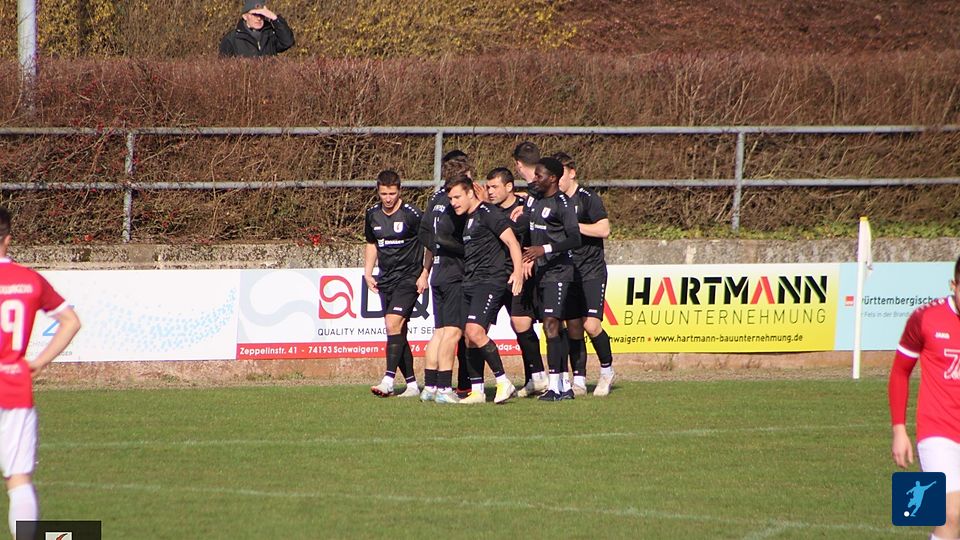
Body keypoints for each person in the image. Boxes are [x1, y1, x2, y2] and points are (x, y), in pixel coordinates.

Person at [0, 208, 81, 538]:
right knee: (19, 480)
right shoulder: (29, 280)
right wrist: (39, 362)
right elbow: (71, 322)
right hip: (13, 386)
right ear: (8, 239)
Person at [889, 255, 960, 539]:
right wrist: (899, 430)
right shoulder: (925, 317)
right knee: (948, 515)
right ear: (953, 285)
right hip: (937, 431)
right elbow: (899, 372)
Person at [445, 174, 524, 404]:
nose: (454, 203)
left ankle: (503, 381)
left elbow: (512, 242)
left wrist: (517, 271)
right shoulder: (468, 219)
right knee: (469, 338)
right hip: (470, 282)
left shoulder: (488, 213)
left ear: (470, 193)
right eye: (450, 199)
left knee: (475, 332)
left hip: (489, 281)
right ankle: (477, 391)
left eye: (457, 197)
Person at [553, 152, 616, 397]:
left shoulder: (588, 198)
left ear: (572, 172)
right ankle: (578, 379)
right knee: (573, 326)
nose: (556, 179)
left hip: (591, 271)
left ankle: (607, 371)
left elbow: (604, 229)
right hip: (567, 271)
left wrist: (574, 227)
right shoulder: (555, 202)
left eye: (560, 174)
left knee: (591, 324)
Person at [522, 158, 582, 402]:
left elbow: (575, 239)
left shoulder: (563, 204)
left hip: (559, 272)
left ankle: (556, 386)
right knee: (551, 326)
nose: (535, 179)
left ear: (553, 178)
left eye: (539, 176)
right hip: (542, 272)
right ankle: (563, 385)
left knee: (551, 325)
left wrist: (544, 249)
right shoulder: (536, 199)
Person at [484, 168, 548, 397]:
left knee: (521, 323)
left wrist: (528, 260)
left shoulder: (523, 208)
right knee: (477, 330)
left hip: (518, 275)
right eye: (488, 187)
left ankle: (536, 377)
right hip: (492, 277)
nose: (490, 192)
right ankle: (474, 385)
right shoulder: (486, 210)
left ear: (509, 187)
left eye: (495, 187)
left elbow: (533, 235)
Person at [364, 170, 427, 398]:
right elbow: (371, 243)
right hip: (386, 279)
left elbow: (429, 244)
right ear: (378, 192)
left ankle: (388, 380)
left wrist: (425, 273)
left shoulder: (412, 214)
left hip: (409, 277)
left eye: (392, 193)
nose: (388, 198)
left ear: (399, 191)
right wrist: (368, 273)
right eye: (384, 194)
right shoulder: (372, 214)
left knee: (392, 324)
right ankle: (412, 385)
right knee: (397, 332)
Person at [418, 153, 471, 404]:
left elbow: (425, 233)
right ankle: (444, 388)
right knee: (452, 332)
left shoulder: (436, 199)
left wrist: (427, 266)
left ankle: (429, 387)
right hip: (453, 273)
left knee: (439, 332)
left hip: (438, 271)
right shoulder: (454, 203)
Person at [219, 1, 295, 58]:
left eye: (261, 15)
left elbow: (288, 42)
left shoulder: (270, 34)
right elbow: (223, 67)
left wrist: (275, 18)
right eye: (255, 14)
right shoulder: (232, 39)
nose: (259, 18)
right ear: (245, 16)